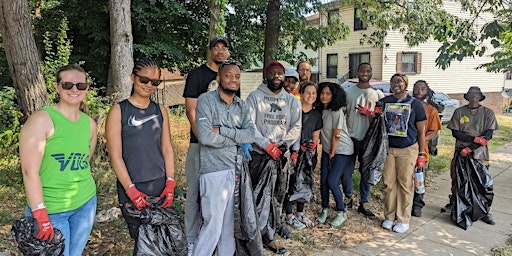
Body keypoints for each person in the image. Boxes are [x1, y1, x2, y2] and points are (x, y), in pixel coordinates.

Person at [19, 64, 97, 256]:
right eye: (67, 84)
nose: (74, 89)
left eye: (80, 85)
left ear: (87, 88)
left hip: (85, 204)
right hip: (51, 209)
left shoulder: (90, 124)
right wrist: (39, 213)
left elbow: (85, 160)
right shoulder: (42, 119)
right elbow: (30, 171)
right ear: (57, 87)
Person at [105, 58, 177, 255]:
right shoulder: (119, 111)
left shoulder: (160, 110)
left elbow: (167, 148)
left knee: (163, 240)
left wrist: (170, 182)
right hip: (133, 186)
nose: (149, 86)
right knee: (142, 241)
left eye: (155, 82)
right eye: (144, 80)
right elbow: (115, 155)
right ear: (132, 78)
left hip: (159, 184)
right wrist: (131, 189)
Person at [192, 60, 256, 255]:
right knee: (213, 227)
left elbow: (251, 134)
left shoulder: (242, 105)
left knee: (228, 228)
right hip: (213, 172)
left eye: (237, 76)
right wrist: (236, 138)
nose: (233, 80)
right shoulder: (206, 100)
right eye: (228, 75)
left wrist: (222, 130)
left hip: (235, 171)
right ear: (219, 78)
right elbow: (205, 137)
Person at [182, 36, 233, 254]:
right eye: (216, 48)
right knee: (194, 192)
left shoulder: (230, 76)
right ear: (210, 51)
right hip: (200, 144)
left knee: (220, 196)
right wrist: (203, 137)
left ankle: (216, 240)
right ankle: (192, 238)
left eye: (224, 48)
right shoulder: (197, 75)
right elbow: (191, 110)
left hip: (223, 147)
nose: (220, 52)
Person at [246, 61, 302, 254]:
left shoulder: (292, 101)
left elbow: (296, 125)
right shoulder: (255, 97)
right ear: (266, 75)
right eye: (273, 73)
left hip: (280, 156)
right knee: (257, 196)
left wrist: (284, 144)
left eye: (280, 73)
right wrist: (266, 145)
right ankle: (254, 235)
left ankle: (271, 233)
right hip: (259, 156)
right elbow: (249, 125)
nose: (277, 76)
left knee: (277, 196)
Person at [379, 74, 426, 234]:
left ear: (406, 84)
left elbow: (421, 131)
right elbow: (377, 123)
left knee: (405, 183)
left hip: (408, 148)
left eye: (399, 81)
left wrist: (421, 153)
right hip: (388, 149)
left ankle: (403, 219)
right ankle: (389, 216)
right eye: (393, 82)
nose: (395, 84)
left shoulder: (415, 104)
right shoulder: (384, 102)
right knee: (388, 183)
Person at [447, 86, 498, 225]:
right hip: (461, 151)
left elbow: (488, 135)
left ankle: (484, 211)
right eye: (471, 94)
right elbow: (455, 132)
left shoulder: (488, 113)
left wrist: (471, 148)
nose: (474, 96)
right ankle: (456, 205)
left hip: (479, 153)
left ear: (480, 97)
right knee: (458, 180)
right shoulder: (459, 112)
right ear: (467, 96)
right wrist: (473, 140)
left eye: (477, 94)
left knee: (481, 182)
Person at [344, 62, 384, 218]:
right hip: (350, 137)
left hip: (369, 139)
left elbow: (381, 118)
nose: (365, 73)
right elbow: (343, 113)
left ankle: (364, 202)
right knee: (347, 171)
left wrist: (370, 113)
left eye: (368, 71)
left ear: (371, 73)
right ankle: (348, 198)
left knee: (366, 171)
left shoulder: (377, 94)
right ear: (357, 72)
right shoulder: (348, 92)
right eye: (362, 70)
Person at [283, 81, 322, 230]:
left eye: (313, 93)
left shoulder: (317, 114)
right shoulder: (295, 110)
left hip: (308, 154)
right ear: (301, 94)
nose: (310, 96)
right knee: (290, 183)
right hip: (293, 153)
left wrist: (313, 146)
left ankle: (300, 212)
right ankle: (289, 215)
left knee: (304, 182)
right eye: (308, 92)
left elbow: (316, 134)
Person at [316, 82, 353, 228]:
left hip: (341, 150)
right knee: (323, 181)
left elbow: (336, 135)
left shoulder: (336, 111)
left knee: (332, 181)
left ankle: (341, 211)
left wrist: (332, 152)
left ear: (334, 96)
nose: (324, 96)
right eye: (322, 93)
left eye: (328, 94)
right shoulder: (322, 110)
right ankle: (325, 208)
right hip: (327, 150)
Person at [411, 80, 442, 217]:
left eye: (423, 88)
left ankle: (417, 205)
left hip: (422, 152)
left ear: (427, 91)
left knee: (419, 180)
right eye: (417, 88)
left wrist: (421, 140)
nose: (419, 91)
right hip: (405, 150)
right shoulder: (407, 105)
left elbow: (434, 131)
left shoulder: (431, 110)